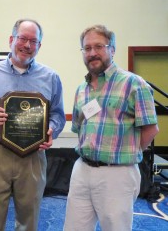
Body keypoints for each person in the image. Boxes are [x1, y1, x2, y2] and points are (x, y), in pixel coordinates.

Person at [63, 24, 159, 231]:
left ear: (112, 49)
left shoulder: (134, 84)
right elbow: (80, 128)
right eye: (87, 48)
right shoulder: (82, 89)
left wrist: (124, 153)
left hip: (117, 174)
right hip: (82, 169)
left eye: (99, 46)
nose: (92, 53)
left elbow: (151, 130)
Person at [0, 19, 66, 231]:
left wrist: (51, 129)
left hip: (33, 155)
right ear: (11, 40)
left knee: (29, 219)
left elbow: (58, 115)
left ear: (39, 46)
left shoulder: (51, 77)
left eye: (33, 41)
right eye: (22, 38)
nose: (27, 45)